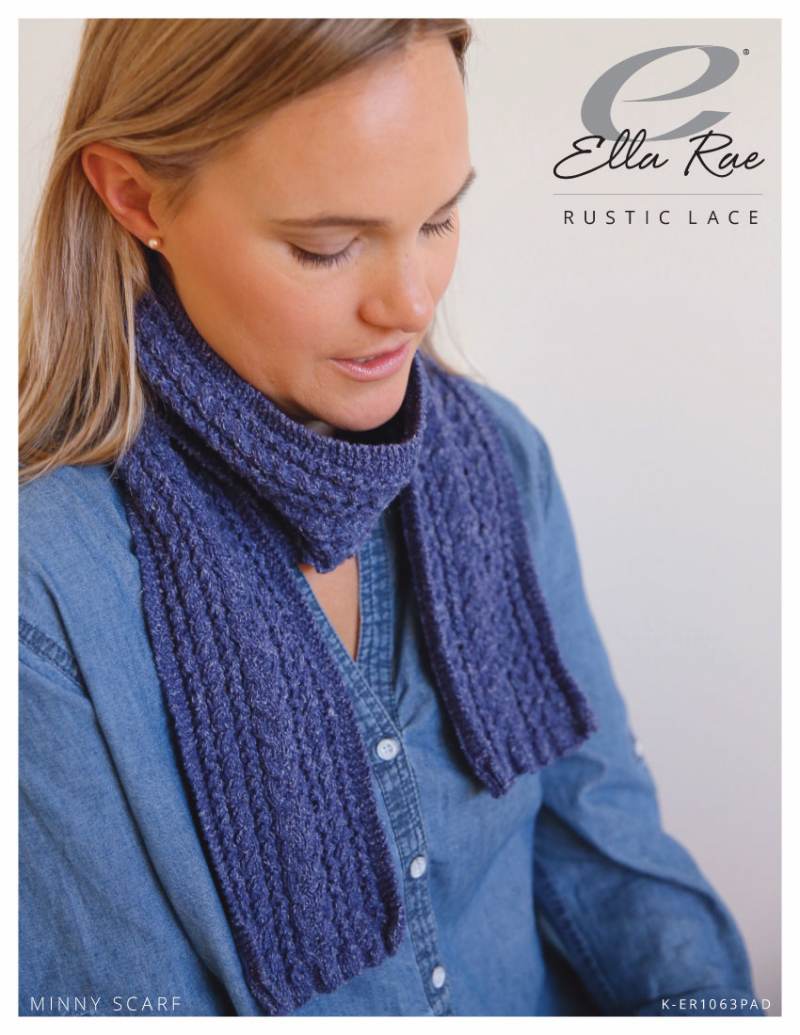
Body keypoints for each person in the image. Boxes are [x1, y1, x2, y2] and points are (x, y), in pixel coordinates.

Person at [18, 18, 763, 1018]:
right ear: (135, 195)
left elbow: (605, 843)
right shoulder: (44, 591)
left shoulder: (498, 458)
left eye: (440, 220)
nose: (410, 303)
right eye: (325, 247)